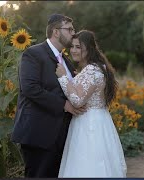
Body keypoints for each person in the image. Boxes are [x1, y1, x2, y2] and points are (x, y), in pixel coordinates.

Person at [11, 14, 87, 177]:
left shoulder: (65, 60)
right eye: (69, 29)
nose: (73, 33)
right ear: (56, 32)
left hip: (61, 135)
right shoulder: (33, 54)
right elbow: (30, 88)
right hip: (39, 133)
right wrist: (64, 105)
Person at [55, 30, 127, 177]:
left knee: (87, 165)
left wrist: (63, 77)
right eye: (72, 46)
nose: (74, 50)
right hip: (100, 120)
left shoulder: (91, 71)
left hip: (89, 125)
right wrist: (76, 79)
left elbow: (77, 100)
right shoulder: (99, 67)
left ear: (89, 49)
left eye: (78, 47)